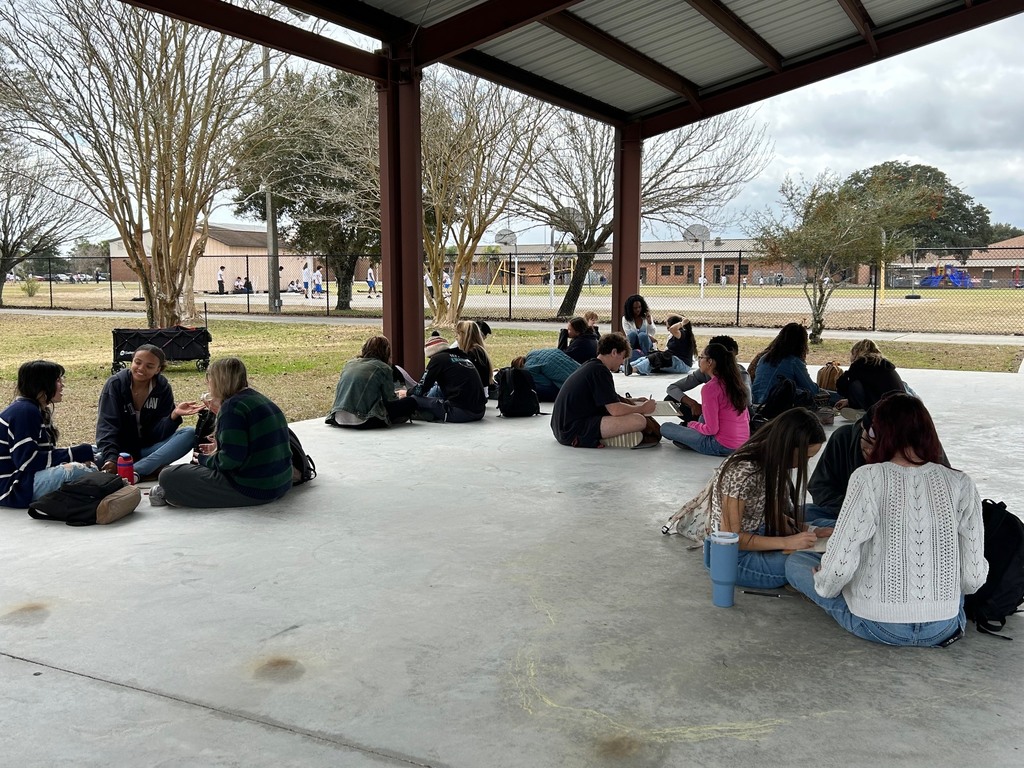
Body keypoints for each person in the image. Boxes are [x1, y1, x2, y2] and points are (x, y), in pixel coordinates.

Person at [785, 394, 987, 646]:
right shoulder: (961, 483)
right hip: (943, 627)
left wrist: (823, 581)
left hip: (879, 626)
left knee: (797, 562)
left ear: (880, 434)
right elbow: (973, 578)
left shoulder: (868, 477)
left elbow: (840, 567)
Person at [688, 408, 828, 588]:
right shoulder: (742, 472)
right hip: (734, 560)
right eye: (805, 457)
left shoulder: (773, 462)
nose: (804, 463)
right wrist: (788, 541)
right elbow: (732, 538)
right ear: (787, 446)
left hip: (760, 533)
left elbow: (770, 514)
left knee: (822, 525)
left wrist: (811, 529)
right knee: (803, 561)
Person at [154, 358, 292, 508]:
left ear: (216, 381)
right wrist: (217, 448)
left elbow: (230, 461)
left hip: (254, 488)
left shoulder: (232, 408)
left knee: (168, 476)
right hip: (281, 482)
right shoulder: (258, 398)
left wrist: (204, 459)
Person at [95, 344, 201, 481]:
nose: (141, 369)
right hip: (120, 453)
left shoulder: (162, 388)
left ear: (158, 369)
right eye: (137, 362)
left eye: (149, 366)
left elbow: (158, 434)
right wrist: (112, 459)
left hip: (149, 450)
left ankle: (134, 471)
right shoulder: (116, 384)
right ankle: (147, 468)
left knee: (189, 433)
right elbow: (107, 426)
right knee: (92, 457)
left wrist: (173, 415)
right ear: (132, 361)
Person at [0, 360, 96, 507]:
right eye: (57, 380)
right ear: (42, 385)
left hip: (24, 478)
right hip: (12, 487)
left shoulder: (34, 409)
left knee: (94, 454)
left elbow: (44, 457)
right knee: (77, 470)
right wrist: (74, 454)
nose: (62, 385)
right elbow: (27, 461)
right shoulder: (25, 412)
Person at [550, 333, 659, 449]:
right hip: (572, 431)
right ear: (614, 352)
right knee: (639, 420)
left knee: (635, 415)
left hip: (562, 428)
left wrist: (632, 400)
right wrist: (643, 408)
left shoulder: (592, 365)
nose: (622, 362)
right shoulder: (600, 371)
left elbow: (606, 397)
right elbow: (615, 410)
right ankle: (605, 437)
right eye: (622, 357)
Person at [660, 343, 749, 456]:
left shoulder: (710, 388)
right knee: (702, 418)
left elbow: (711, 430)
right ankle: (689, 440)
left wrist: (691, 425)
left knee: (666, 427)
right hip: (742, 444)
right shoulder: (735, 383)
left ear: (710, 362)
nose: (699, 361)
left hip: (720, 444)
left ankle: (690, 440)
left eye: (701, 357)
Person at [326, 336, 418, 429]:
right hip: (364, 420)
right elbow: (390, 400)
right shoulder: (383, 368)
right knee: (411, 402)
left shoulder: (349, 364)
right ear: (386, 352)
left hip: (338, 418)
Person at [665, 335, 751, 422]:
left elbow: (746, 403)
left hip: (731, 420)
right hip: (710, 419)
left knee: (667, 428)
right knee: (670, 400)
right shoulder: (704, 373)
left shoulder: (740, 375)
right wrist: (692, 404)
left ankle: (695, 427)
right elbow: (672, 388)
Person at [751, 322, 837, 405]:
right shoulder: (793, 362)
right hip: (773, 404)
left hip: (755, 401)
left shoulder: (764, 358)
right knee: (833, 396)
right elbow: (812, 390)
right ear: (801, 343)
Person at [408, 336, 486, 423]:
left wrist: (406, 393)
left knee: (414, 398)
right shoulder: (463, 357)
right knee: (436, 389)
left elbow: (420, 389)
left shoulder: (437, 359)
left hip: (460, 412)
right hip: (480, 411)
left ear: (431, 354)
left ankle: (426, 414)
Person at [834, 339, 905, 414]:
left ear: (855, 352)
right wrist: (849, 401)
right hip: (901, 406)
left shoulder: (860, 364)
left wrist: (845, 375)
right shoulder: (885, 364)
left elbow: (841, 387)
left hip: (882, 409)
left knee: (853, 384)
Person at [625, 315, 695, 375]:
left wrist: (682, 322)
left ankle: (633, 369)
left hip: (682, 364)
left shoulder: (683, 334)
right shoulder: (677, 334)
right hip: (675, 360)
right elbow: (669, 314)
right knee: (649, 357)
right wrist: (683, 318)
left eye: (668, 327)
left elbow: (672, 329)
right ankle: (624, 367)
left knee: (657, 358)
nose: (668, 330)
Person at [511, 348, 579, 402]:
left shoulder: (528, 369)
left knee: (529, 387)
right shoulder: (534, 352)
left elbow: (547, 383)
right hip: (579, 372)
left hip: (569, 387)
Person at [455, 319, 494, 395]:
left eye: (458, 334)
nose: (456, 337)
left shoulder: (473, 353)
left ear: (465, 335)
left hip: (471, 397)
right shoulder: (478, 350)